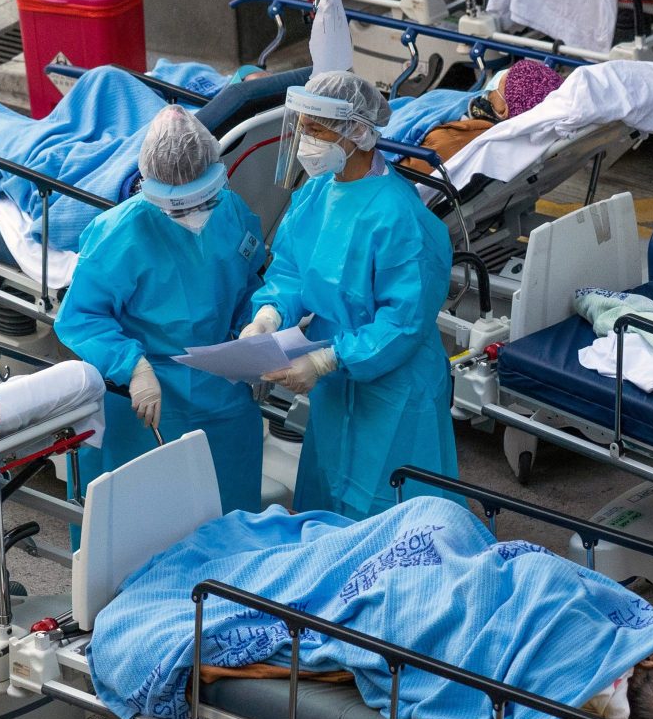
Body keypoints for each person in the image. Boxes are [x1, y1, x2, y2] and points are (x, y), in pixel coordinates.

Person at [241, 72, 458, 519]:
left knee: (396, 517)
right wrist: (268, 314)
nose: (305, 141)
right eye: (302, 127)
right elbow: (291, 271)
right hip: (335, 385)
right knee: (330, 502)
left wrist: (327, 360)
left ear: (357, 132)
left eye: (316, 129)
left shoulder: (401, 218)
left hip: (396, 389)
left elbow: (402, 325)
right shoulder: (317, 192)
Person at [54, 105, 267, 515]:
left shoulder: (231, 211)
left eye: (201, 200)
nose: (191, 216)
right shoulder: (118, 234)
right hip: (146, 400)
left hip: (221, 387)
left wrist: (255, 334)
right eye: (176, 206)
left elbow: (248, 283)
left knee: (230, 513)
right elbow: (82, 316)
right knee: (142, 524)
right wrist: (133, 367)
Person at [395, 59, 565, 174]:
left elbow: (399, 175)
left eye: (505, 79)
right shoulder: (472, 115)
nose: (498, 78)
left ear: (504, 110)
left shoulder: (451, 139)